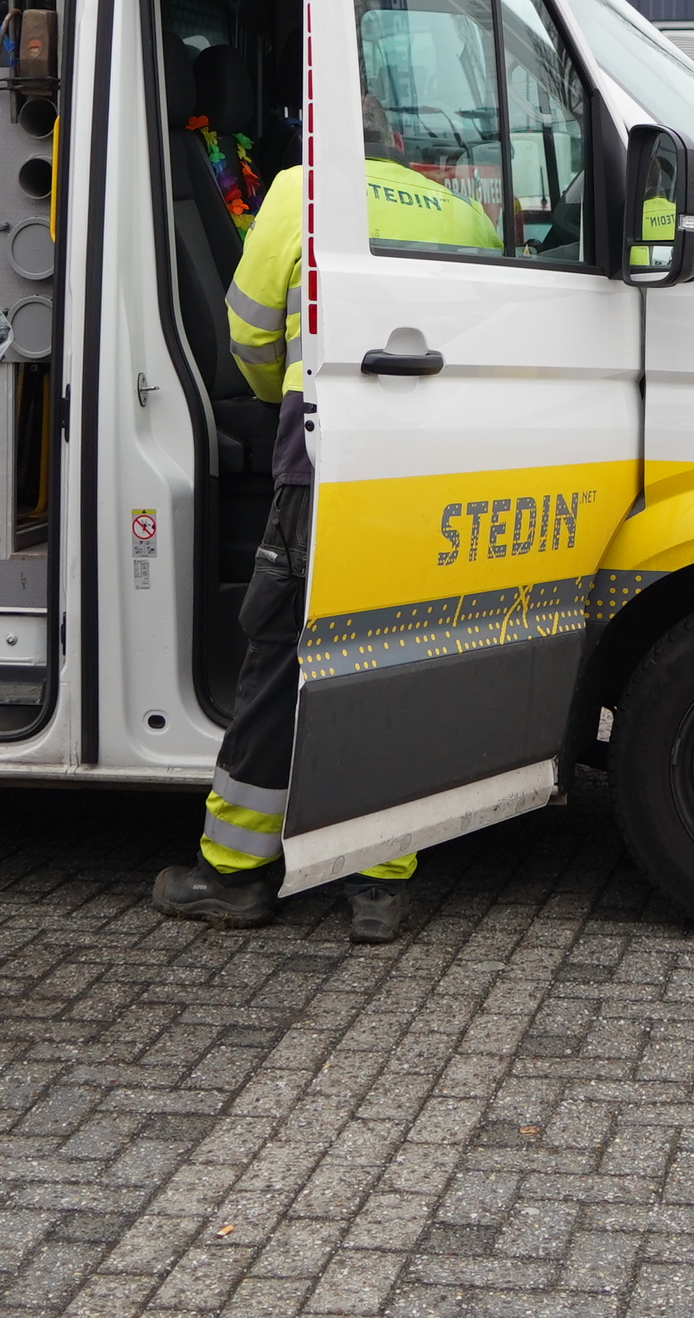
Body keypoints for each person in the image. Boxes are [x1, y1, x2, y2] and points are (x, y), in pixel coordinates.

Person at [154, 114, 498, 941]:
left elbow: (247, 329)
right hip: (432, 466)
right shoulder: (464, 215)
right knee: (397, 650)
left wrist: (278, 395)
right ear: (410, 150)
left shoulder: (297, 191)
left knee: (280, 654)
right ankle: (378, 886)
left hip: (324, 450)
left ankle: (234, 873)